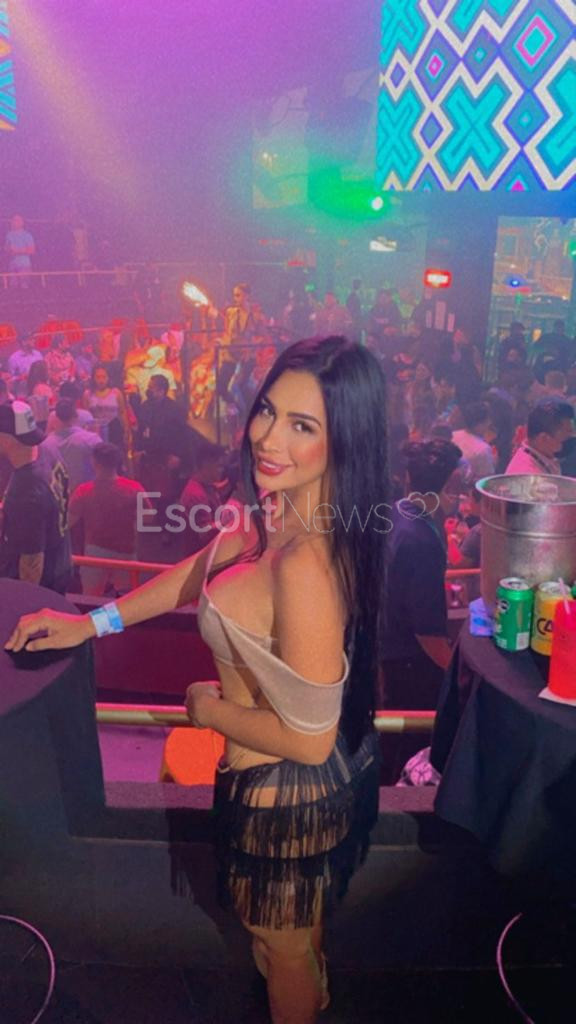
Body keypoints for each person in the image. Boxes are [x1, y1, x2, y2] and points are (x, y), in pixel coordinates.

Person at [7, 336, 388, 1024]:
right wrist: (92, 624)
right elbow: (197, 572)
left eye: (303, 425)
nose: (267, 437)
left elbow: (308, 740)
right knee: (292, 940)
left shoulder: (306, 563)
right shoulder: (280, 508)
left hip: (284, 792)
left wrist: (204, 709)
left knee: (279, 951)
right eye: (268, 410)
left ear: (345, 441)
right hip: (275, 784)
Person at [379, 438, 462, 779]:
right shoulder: (421, 542)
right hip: (411, 660)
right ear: (447, 487)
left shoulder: (397, 511)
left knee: (393, 737)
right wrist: (458, 672)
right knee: (412, 742)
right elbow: (427, 634)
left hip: (389, 647)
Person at [0, 400, 71, 592]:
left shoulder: (26, 490)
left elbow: (31, 565)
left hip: (41, 585)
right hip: (60, 562)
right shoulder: (47, 450)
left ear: (7, 438)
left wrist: (25, 603)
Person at [68, 442, 151, 596]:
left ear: (94, 462)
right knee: (127, 600)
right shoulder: (134, 488)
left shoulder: (84, 490)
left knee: (91, 598)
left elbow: (68, 522)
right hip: (126, 551)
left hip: (95, 553)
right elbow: (148, 518)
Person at [40, 399, 101, 493]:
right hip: (87, 494)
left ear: (56, 416)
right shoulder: (91, 439)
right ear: (75, 415)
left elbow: (45, 474)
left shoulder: (45, 445)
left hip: (60, 497)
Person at [506, 399, 574, 476]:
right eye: (567, 434)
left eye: (572, 431)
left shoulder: (543, 456)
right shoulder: (529, 475)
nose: (572, 437)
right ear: (543, 439)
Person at [83, 364, 130, 449]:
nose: (101, 380)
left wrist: (126, 430)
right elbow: (86, 416)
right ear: (93, 378)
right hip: (96, 431)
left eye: (104, 377)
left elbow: (122, 412)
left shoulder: (116, 392)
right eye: (98, 377)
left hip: (115, 429)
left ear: (108, 378)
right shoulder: (88, 394)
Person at [452, 401, 496, 479]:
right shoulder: (483, 449)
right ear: (479, 424)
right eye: (487, 420)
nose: (489, 423)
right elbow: (486, 481)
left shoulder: (453, 435)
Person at [4, 214, 35, 286]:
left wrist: (17, 251)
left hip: (24, 264)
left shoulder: (27, 235)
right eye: (13, 220)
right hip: (12, 264)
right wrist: (8, 250)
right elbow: (6, 248)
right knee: (13, 286)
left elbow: (32, 250)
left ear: (22, 222)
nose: (15, 222)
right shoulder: (9, 234)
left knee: (24, 286)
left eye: (17, 220)